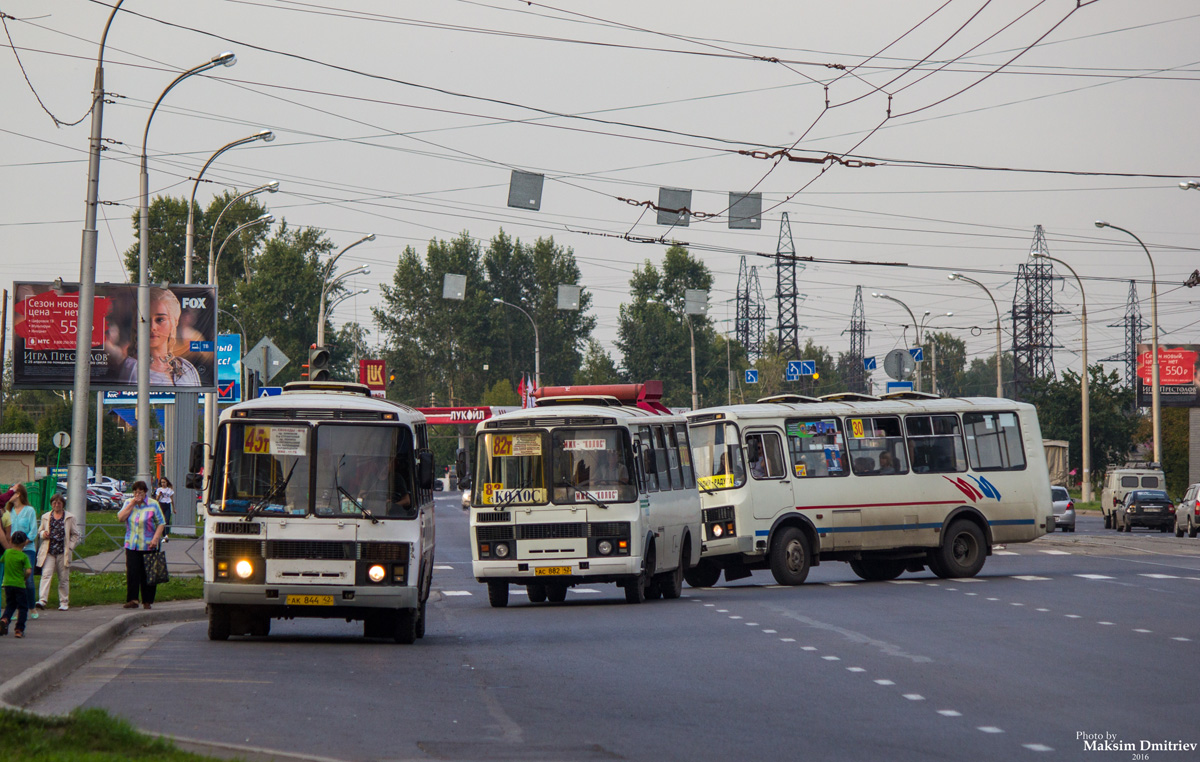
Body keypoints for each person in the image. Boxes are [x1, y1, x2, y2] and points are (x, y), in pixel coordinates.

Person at [115, 288, 201, 386]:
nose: (152, 327)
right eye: (145, 320)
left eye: (160, 319)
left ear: (174, 322)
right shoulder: (131, 368)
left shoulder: (187, 368)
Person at [118, 481, 166, 610]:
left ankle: (147, 601)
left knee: (148, 574)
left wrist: (156, 538)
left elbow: (161, 523)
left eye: (140, 492)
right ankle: (133, 599)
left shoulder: (153, 504)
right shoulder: (128, 503)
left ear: (145, 492)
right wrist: (132, 503)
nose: (137, 494)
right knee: (132, 572)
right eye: (135, 492)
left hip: (148, 544)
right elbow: (121, 518)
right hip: (132, 544)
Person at [36, 494, 81, 611]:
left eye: (59, 503)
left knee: (63, 578)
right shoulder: (46, 516)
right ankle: (42, 600)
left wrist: (70, 546)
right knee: (46, 574)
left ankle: (64, 602)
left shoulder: (70, 517)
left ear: (63, 504)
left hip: (63, 551)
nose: (56, 505)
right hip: (49, 550)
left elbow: (76, 534)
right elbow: (40, 531)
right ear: (51, 504)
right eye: (54, 503)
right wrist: (43, 534)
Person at [6, 485, 39, 620]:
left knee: (28, 579)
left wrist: (25, 542)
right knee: (14, 580)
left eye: (11, 493)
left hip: (27, 549)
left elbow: (33, 530)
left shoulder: (29, 511)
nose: (9, 495)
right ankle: (14, 608)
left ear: (19, 494)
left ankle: (32, 607)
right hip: (13, 550)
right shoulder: (9, 512)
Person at [0, 531, 32, 638]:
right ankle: (19, 629)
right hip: (19, 585)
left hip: (8, 584)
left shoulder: (7, 553)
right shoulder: (23, 556)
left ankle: (5, 619)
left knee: (10, 604)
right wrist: (24, 578)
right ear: (25, 543)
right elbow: (28, 571)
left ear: (11, 541)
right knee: (23, 607)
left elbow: (2, 561)